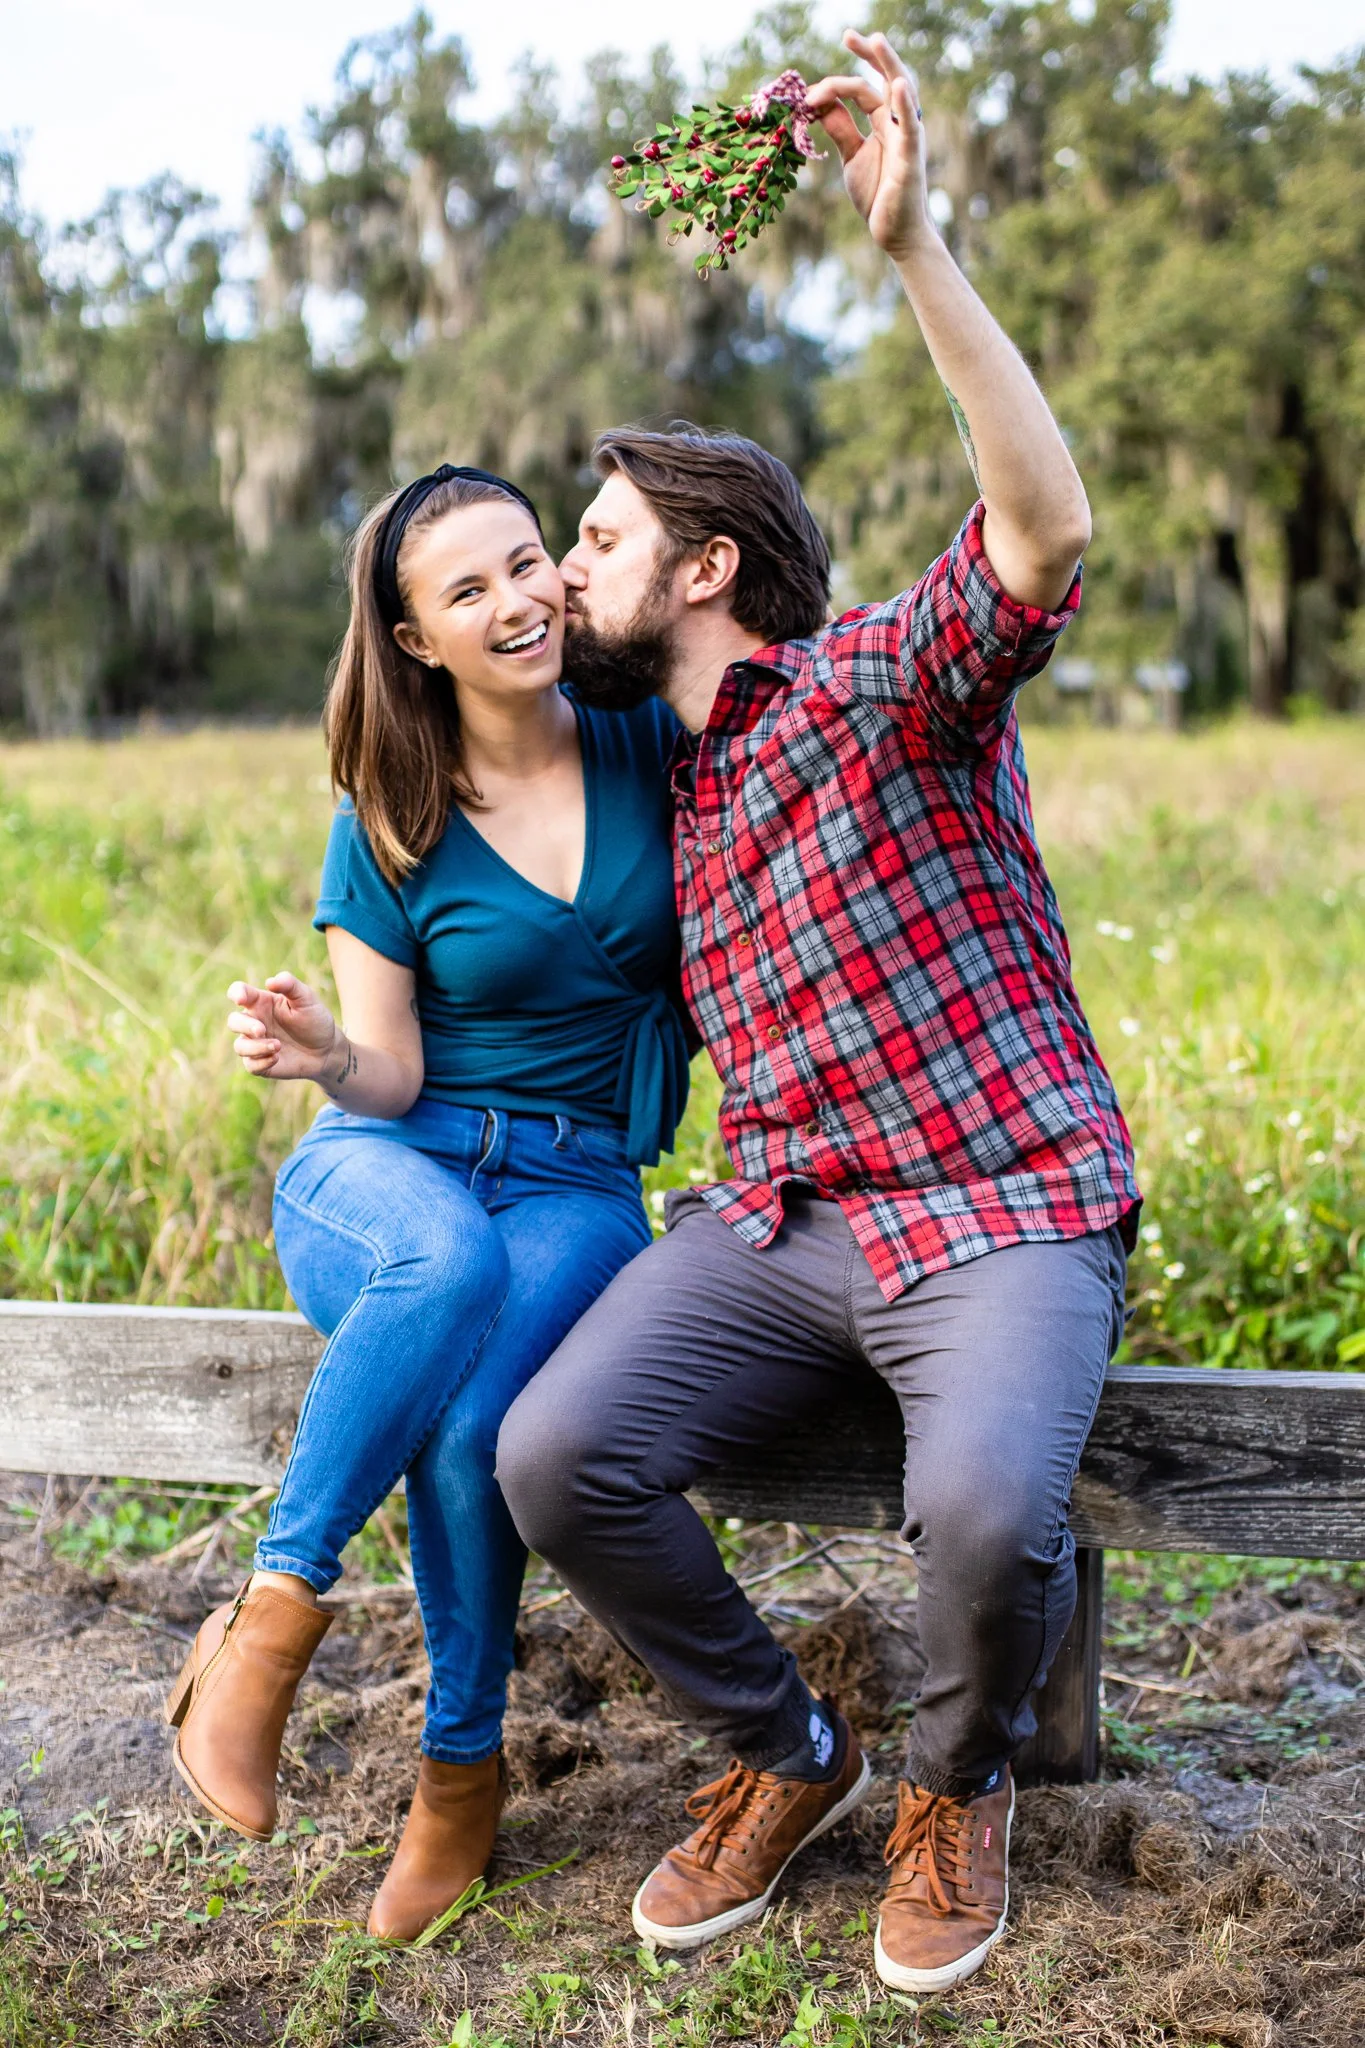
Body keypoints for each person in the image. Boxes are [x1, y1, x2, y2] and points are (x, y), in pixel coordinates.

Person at [496, 30, 1138, 1996]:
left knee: (974, 1502)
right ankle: (792, 1752)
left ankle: (955, 1792)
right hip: (776, 1225)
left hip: (998, 1202)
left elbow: (1040, 543)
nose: (559, 574)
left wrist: (917, 248)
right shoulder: (656, 783)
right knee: (555, 1453)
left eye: (587, 544)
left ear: (701, 565)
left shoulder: (877, 683)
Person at [163, 464, 689, 1941]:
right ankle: (268, 1632)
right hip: (388, 1170)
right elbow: (384, 1072)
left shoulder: (653, 736)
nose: (519, 601)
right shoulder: (388, 804)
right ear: (415, 638)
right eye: (469, 589)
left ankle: (460, 1772)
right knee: (442, 1266)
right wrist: (328, 1055)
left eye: (529, 562)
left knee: (474, 1429)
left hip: (580, 1177)